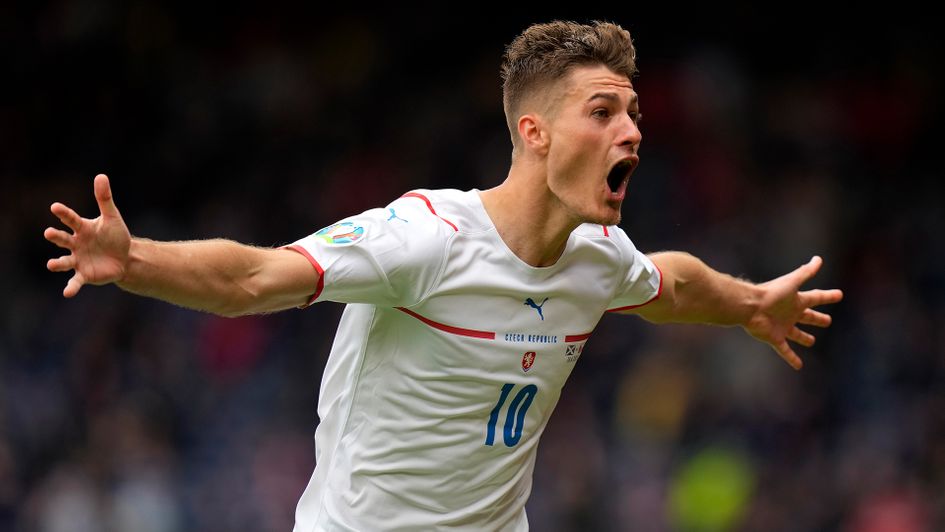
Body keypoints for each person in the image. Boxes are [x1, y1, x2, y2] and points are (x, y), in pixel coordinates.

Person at [44, 20, 843, 531]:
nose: (630, 130)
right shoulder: (425, 237)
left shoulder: (598, 257)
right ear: (534, 133)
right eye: (602, 112)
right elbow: (254, 278)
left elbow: (667, 286)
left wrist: (747, 305)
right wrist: (136, 260)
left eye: (633, 113)